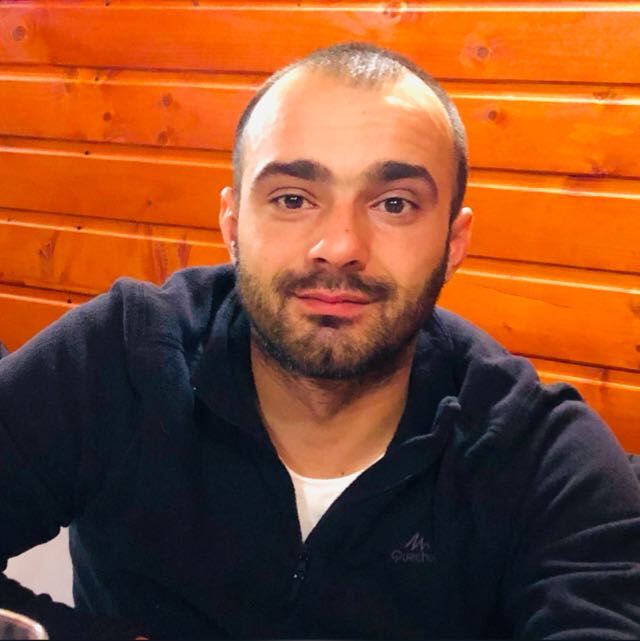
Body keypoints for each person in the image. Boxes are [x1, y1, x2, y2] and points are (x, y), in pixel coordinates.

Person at [1, 42, 639, 640]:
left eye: (394, 204)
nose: (339, 246)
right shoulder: (120, 357)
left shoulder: (538, 453)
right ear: (233, 224)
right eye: (292, 198)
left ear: (453, 242)